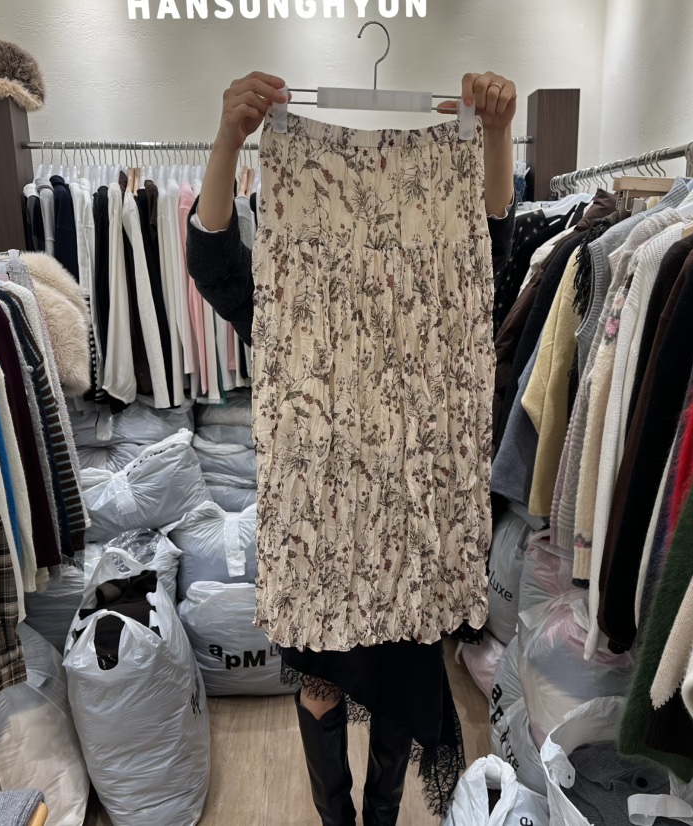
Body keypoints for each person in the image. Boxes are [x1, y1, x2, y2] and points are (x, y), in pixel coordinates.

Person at [187, 70, 518, 825]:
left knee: (402, 685)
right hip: (319, 528)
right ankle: (337, 818)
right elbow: (213, 263)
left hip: (408, 525)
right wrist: (229, 139)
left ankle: (380, 817)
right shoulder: (290, 292)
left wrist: (497, 136)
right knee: (321, 682)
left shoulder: (435, 284)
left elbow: (487, 257)